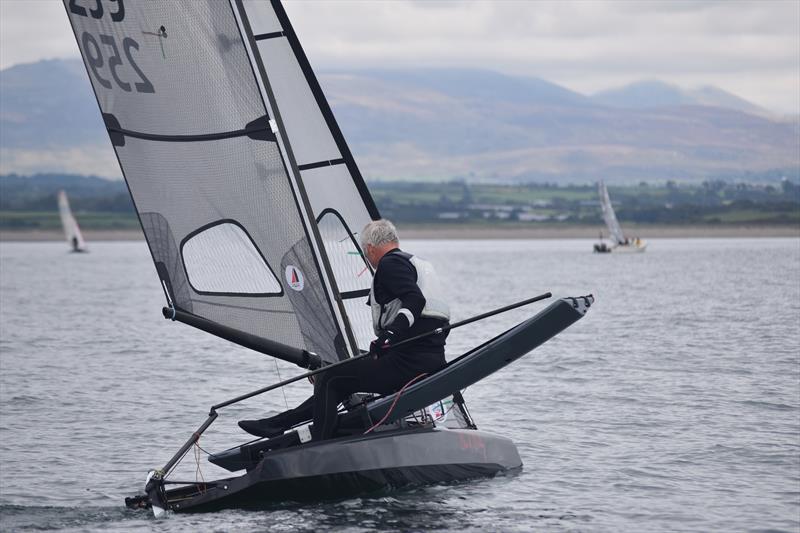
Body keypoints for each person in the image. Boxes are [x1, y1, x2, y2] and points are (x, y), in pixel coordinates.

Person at [238, 219, 450, 441]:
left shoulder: (390, 264)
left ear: (369, 248)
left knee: (330, 378)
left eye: (364, 254)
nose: (367, 259)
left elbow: (414, 300)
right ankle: (277, 424)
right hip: (431, 360)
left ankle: (320, 444)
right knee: (339, 377)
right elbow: (432, 319)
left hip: (406, 366)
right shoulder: (419, 265)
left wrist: (389, 335)